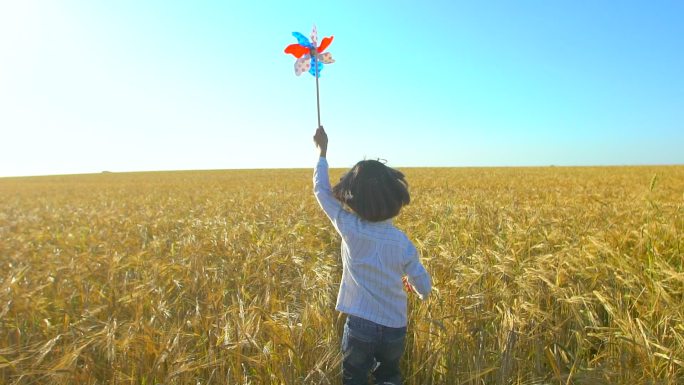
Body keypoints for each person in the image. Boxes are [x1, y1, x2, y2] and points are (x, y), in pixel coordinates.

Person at [312, 126, 432, 385]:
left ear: (352, 199)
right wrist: (419, 291)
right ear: (396, 198)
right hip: (394, 326)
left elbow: (321, 192)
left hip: (360, 326)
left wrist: (322, 153)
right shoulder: (401, 242)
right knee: (388, 376)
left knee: (354, 377)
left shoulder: (349, 227)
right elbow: (422, 282)